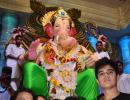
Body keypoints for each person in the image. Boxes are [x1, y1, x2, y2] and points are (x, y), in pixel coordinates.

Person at [24, 8, 98, 99]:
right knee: (30, 67)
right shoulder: (43, 46)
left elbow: (97, 64)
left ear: (71, 31)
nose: (63, 30)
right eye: (58, 26)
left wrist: (93, 64)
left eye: (67, 27)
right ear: (51, 29)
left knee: (90, 73)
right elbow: (23, 62)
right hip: (48, 90)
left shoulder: (80, 49)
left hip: (72, 91)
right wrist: (26, 57)